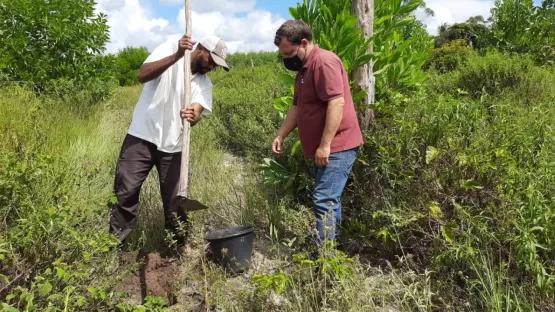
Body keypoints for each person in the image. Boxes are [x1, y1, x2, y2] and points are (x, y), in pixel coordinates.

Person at [109, 34, 230, 248]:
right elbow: (142, 75)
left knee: (177, 201)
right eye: (212, 60)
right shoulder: (169, 48)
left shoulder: (205, 84)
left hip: (175, 145)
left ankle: (175, 250)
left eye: (217, 65)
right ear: (201, 48)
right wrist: (176, 55)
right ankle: (115, 247)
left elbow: (198, 110)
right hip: (142, 136)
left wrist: (194, 115)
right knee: (125, 192)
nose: (212, 67)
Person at [272, 20, 363, 247]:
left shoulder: (323, 61)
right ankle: (333, 250)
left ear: (304, 43)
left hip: (337, 146)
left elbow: (336, 103)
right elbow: (296, 107)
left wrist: (325, 145)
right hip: (327, 147)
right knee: (330, 200)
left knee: (324, 199)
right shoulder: (303, 69)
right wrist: (281, 134)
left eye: (291, 53)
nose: (288, 60)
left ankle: (324, 259)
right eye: (283, 55)